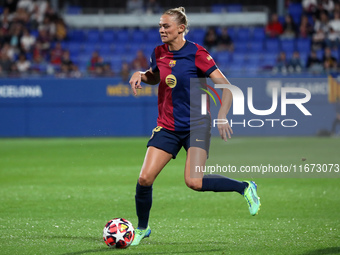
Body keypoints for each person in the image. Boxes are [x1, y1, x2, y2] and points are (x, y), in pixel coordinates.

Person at [129, 7, 261, 246]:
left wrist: (222, 114)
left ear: (180, 28)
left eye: (166, 26)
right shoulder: (158, 52)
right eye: (160, 26)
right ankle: (142, 228)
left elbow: (226, 86)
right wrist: (141, 74)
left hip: (197, 125)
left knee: (194, 182)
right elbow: (156, 76)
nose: (161, 30)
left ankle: (244, 187)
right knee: (145, 178)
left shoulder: (197, 53)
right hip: (168, 126)